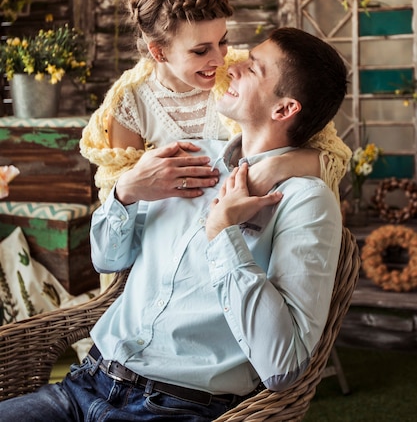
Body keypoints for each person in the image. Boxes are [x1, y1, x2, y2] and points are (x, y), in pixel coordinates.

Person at [0, 27, 347, 421]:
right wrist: (125, 193)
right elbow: (106, 260)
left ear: (284, 109)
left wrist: (223, 234)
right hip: (84, 383)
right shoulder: (188, 155)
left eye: (253, 68)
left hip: (172, 406)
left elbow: (283, 364)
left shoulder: (305, 200)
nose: (230, 68)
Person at [80, 0, 351, 204]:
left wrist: (275, 167)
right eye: (200, 51)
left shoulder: (244, 77)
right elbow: (117, 201)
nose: (221, 60)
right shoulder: (129, 106)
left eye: (223, 40)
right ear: (159, 52)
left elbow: (334, 158)